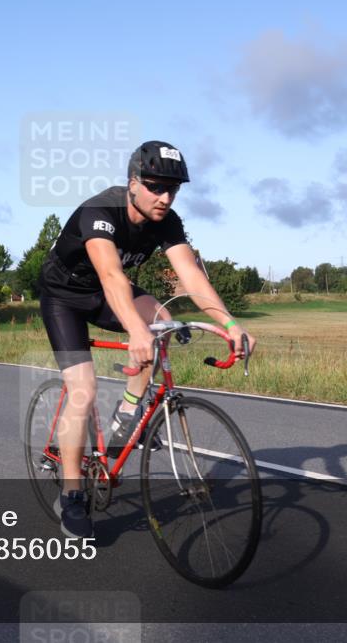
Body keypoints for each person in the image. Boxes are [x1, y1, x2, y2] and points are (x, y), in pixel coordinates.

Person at [38, 140, 257, 539]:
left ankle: (128, 413)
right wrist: (135, 331)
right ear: (132, 182)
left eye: (173, 189)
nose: (165, 197)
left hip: (106, 293)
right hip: (64, 297)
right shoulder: (100, 211)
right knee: (83, 389)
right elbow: (111, 275)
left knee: (163, 320)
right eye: (156, 186)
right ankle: (71, 494)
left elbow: (191, 277)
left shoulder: (166, 220)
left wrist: (229, 324)